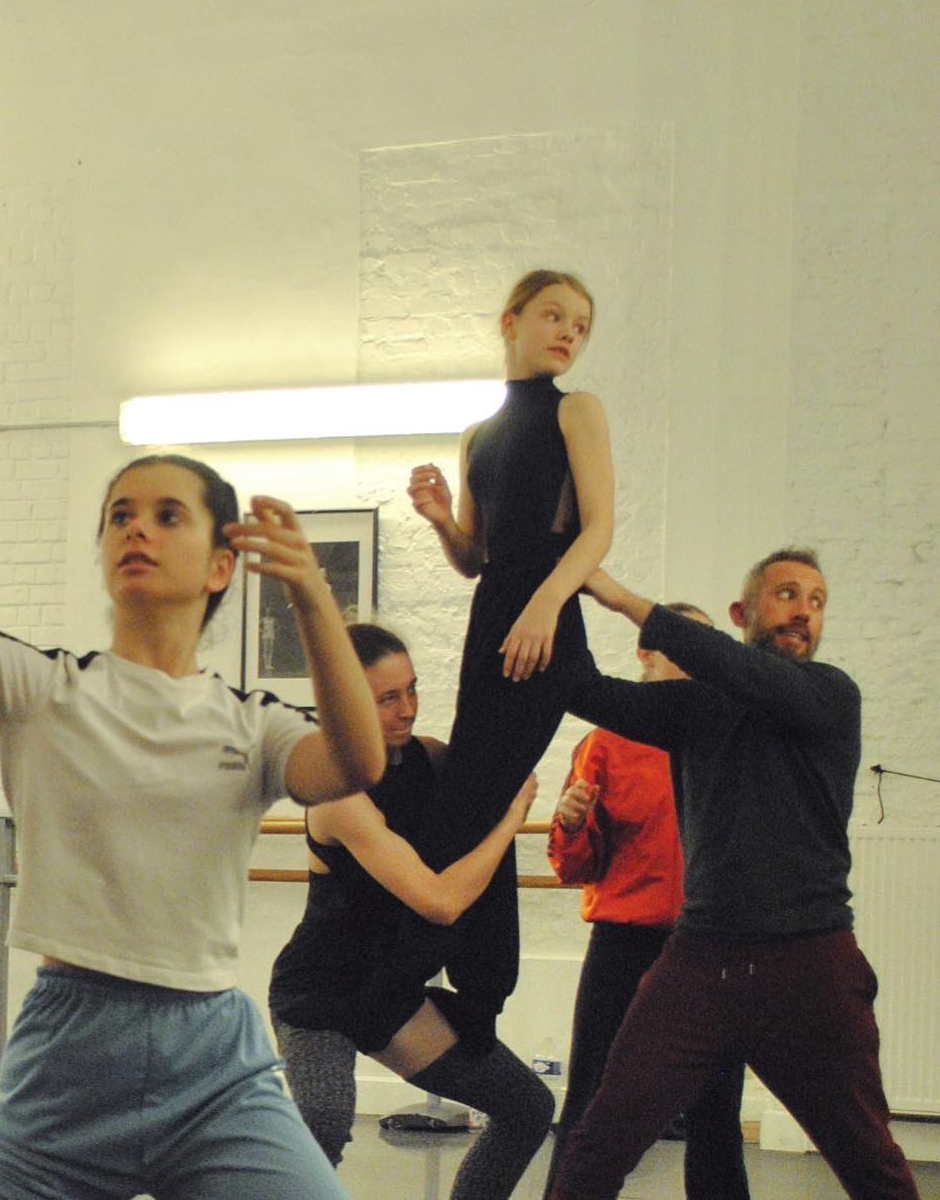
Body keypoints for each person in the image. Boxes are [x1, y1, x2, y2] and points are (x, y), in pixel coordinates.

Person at [0, 453, 386, 1200]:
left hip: (215, 1062)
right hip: (69, 1055)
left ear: (222, 565)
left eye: (168, 516)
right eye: (119, 516)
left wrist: (314, 602)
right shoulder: (41, 688)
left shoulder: (256, 724)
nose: (137, 529)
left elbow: (357, 763)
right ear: (101, 552)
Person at [549, 554, 920, 1199]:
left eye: (817, 600)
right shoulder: (698, 708)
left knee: (870, 1163)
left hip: (811, 966)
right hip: (699, 964)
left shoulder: (832, 696)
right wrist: (551, 583)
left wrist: (621, 597)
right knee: (597, 1143)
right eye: (786, 594)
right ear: (743, 615)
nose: (804, 610)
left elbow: (740, 670)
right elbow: (585, 688)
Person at [394, 269, 612, 1038]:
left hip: (542, 616)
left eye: (580, 326)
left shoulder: (577, 410)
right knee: (475, 791)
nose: (568, 333)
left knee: (476, 796)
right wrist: (437, 518)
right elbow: (475, 554)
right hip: (493, 617)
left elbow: (597, 530)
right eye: (554, 315)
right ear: (510, 320)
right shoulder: (477, 434)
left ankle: (461, 984)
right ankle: (478, 989)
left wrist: (548, 605)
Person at [270, 622, 553, 1196]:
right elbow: (441, 901)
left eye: (412, 690)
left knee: (526, 1107)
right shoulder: (337, 794)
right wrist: (509, 823)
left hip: (389, 992)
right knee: (322, 1126)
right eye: (387, 698)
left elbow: (485, 780)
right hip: (318, 993)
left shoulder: (427, 758)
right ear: (345, 701)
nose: (408, 709)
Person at [542, 602, 748, 1198]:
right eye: (682, 647)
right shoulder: (608, 740)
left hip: (710, 944)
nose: (694, 661)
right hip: (626, 943)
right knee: (590, 1099)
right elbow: (577, 868)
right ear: (646, 654)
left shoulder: (727, 736)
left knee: (715, 1112)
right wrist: (571, 824)